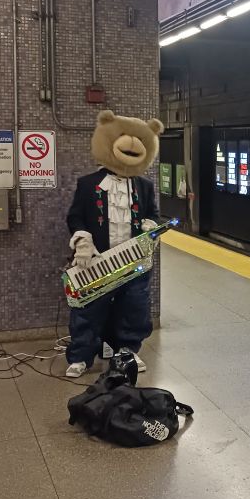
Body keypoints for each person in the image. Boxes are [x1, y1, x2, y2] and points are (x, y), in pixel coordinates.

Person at [65, 109, 163, 379]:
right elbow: (75, 216)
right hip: (97, 261)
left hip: (133, 261)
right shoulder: (88, 184)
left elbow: (152, 214)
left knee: (134, 309)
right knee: (87, 309)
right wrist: (82, 240)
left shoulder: (144, 186)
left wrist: (151, 225)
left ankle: (128, 351)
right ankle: (81, 356)